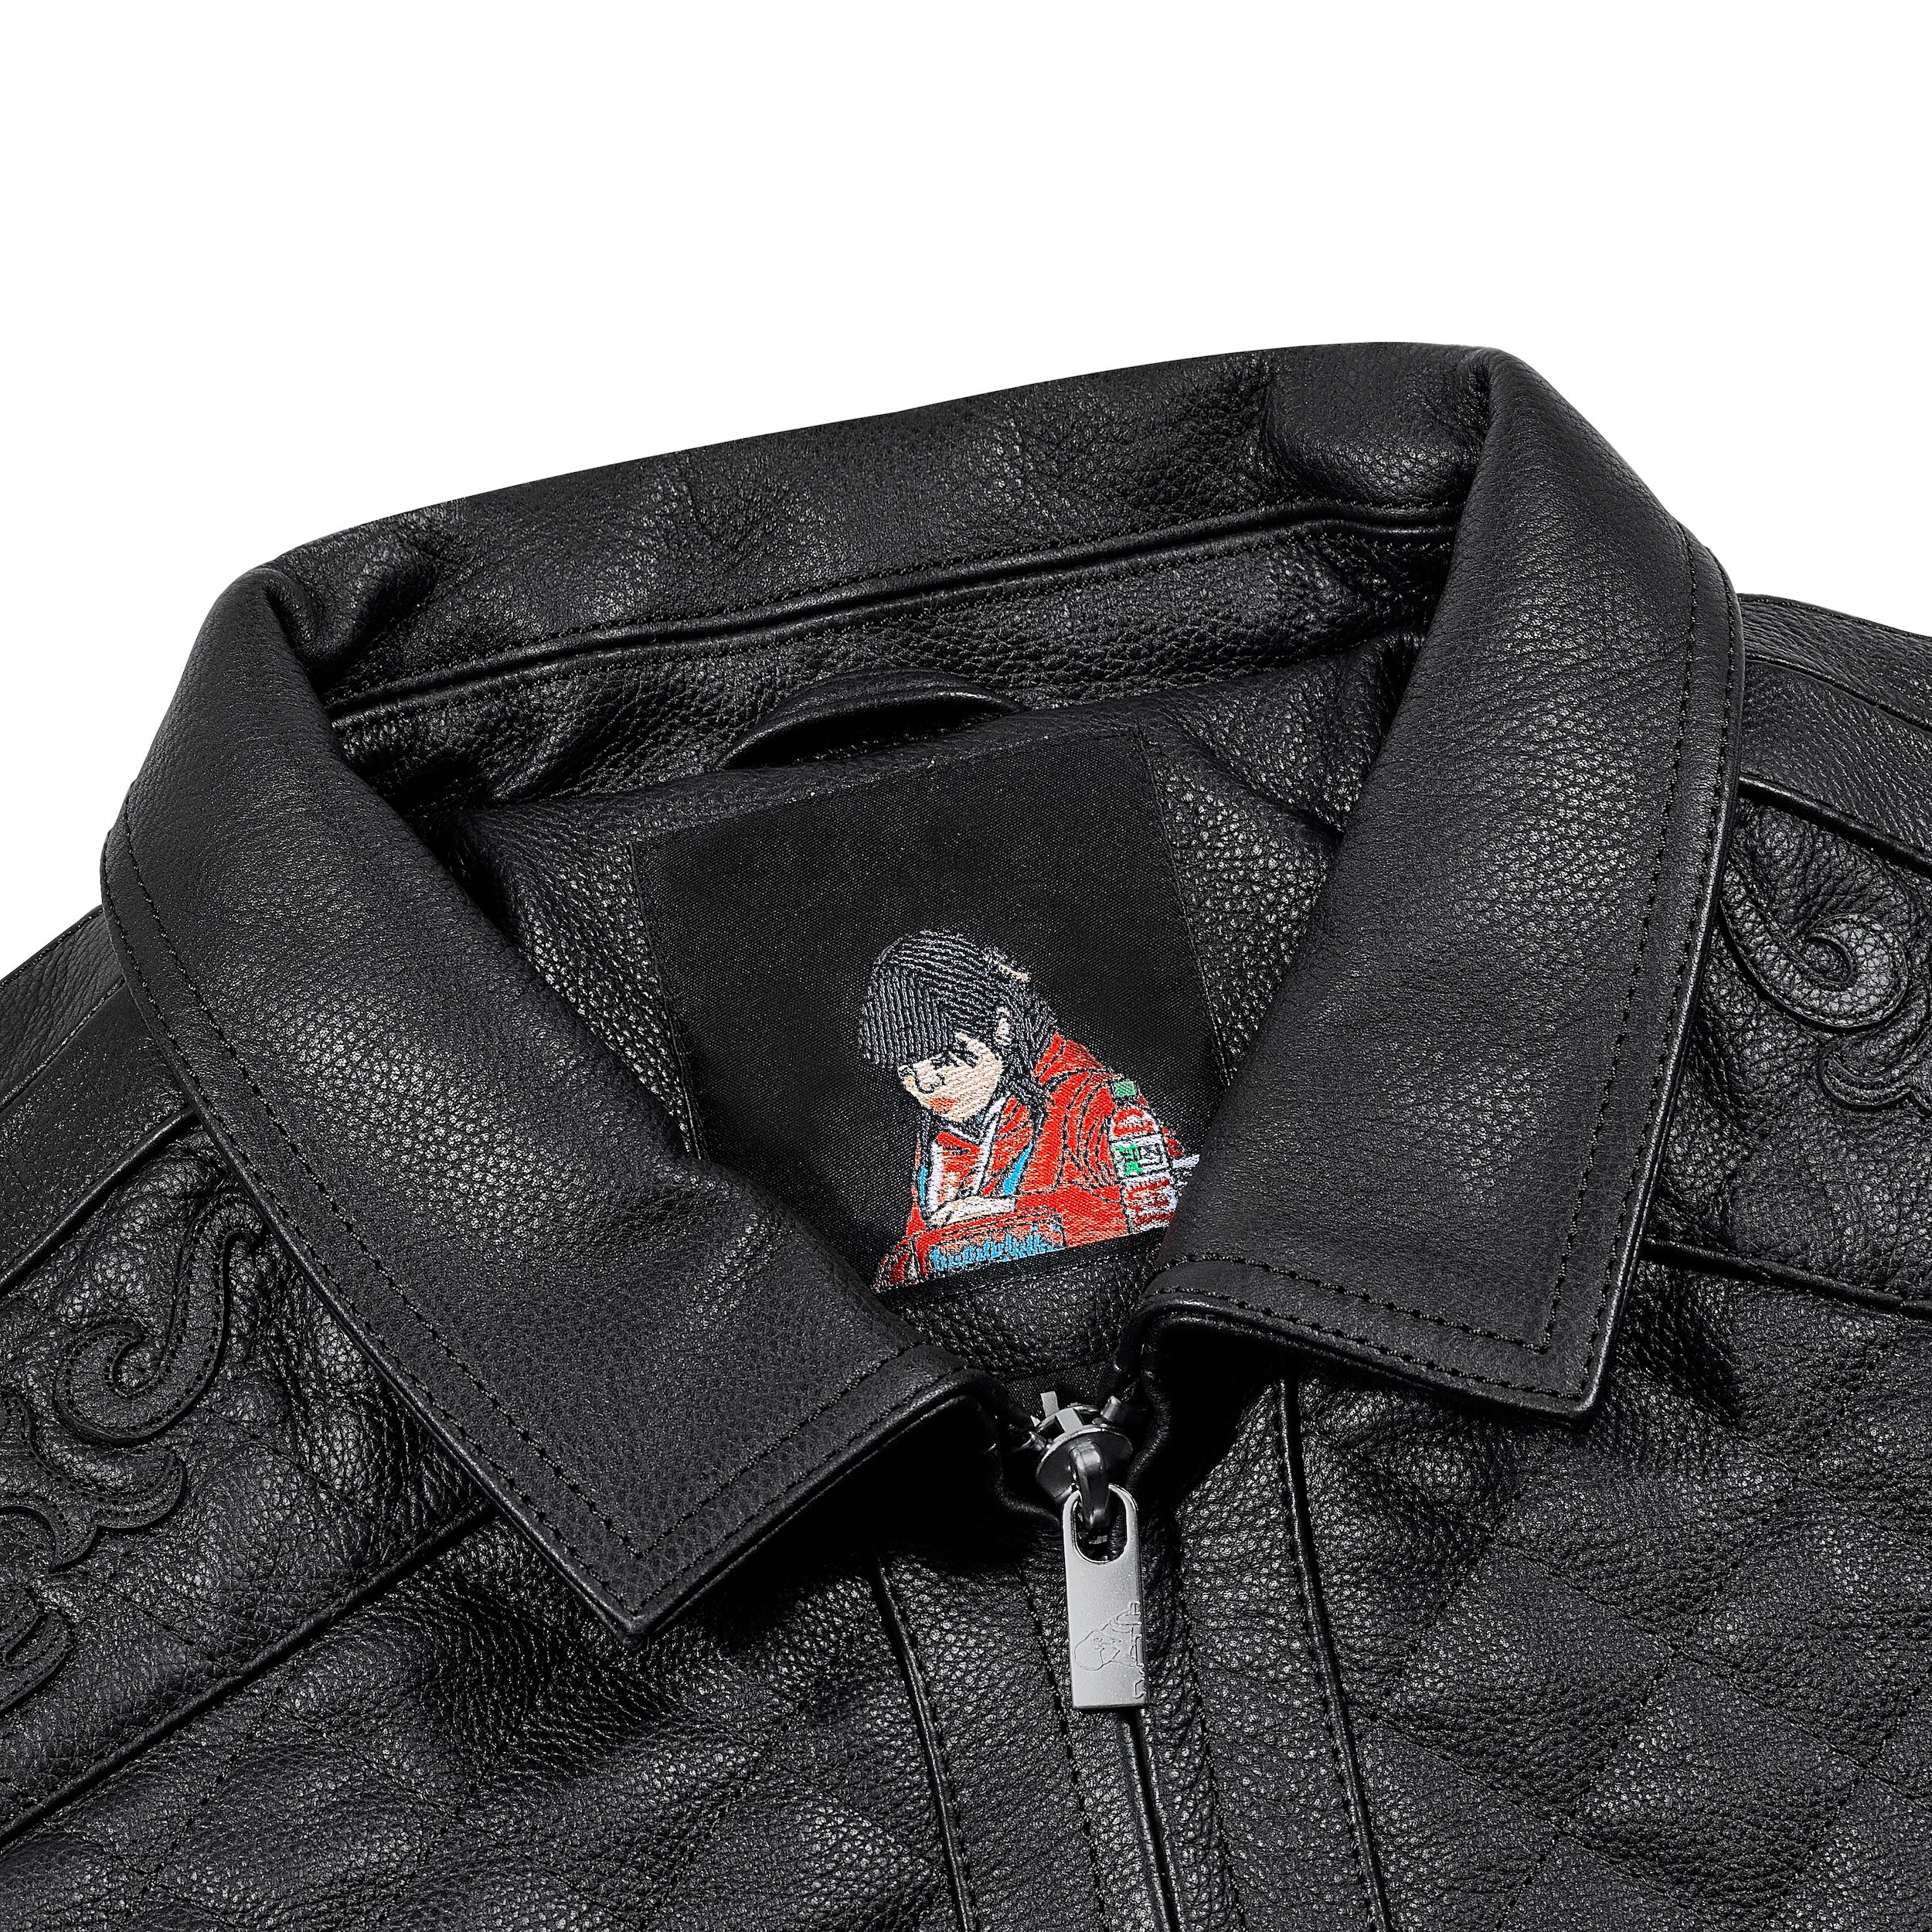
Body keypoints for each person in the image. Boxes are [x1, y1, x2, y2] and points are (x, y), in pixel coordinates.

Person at [858, 930, 1193, 1286]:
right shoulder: (942, 1138)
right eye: (908, 1073)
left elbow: (1163, 1211)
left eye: (943, 1061)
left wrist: (1007, 1215)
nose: (926, 1086)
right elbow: (914, 1255)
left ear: (1002, 1026)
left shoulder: (1092, 1102)